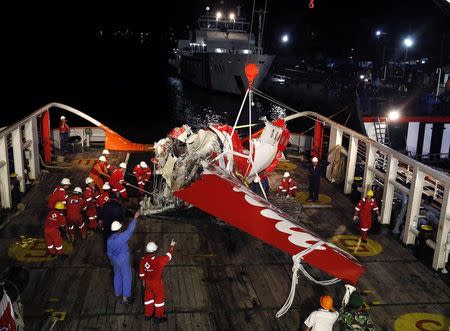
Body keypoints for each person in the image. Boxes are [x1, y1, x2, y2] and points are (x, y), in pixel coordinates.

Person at [107, 210, 141, 304]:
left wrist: (111, 261)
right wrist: (135, 218)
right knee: (126, 276)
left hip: (114, 259)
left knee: (117, 275)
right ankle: (125, 297)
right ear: (119, 229)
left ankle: (117, 293)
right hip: (123, 259)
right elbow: (130, 231)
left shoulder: (109, 240)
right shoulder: (121, 237)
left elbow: (109, 253)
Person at [139, 239, 176, 322]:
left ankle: (148, 315)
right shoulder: (159, 260)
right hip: (157, 284)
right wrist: (172, 246)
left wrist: (143, 281)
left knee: (148, 299)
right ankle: (158, 316)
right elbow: (169, 256)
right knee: (159, 299)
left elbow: (141, 274)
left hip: (147, 283)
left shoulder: (142, 260)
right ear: (155, 251)